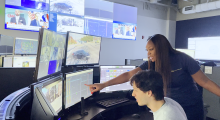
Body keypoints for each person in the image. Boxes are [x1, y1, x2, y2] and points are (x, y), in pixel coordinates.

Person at [85, 34, 220, 120]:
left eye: (151, 50)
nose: (149, 54)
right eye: (147, 50)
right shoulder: (151, 63)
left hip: (190, 107)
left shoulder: (183, 60)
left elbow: (205, 82)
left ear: (161, 48)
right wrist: (103, 85)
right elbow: (128, 75)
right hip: (170, 106)